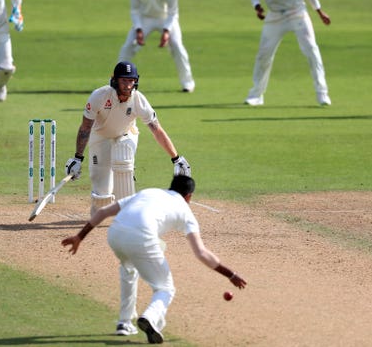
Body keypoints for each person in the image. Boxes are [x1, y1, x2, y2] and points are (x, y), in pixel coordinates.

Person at [61, 175, 247, 344]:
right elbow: (201, 253)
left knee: (128, 268)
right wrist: (230, 274)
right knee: (165, 288)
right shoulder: (186, 211)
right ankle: (150, 318)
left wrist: (79, 237)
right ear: (189, 196)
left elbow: (102, 213)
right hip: (141, 237)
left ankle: (124, 323)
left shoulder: (149, 192)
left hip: (115, 234)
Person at [65, 61, 191, 216]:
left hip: (126, 134)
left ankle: (127, 211)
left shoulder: (138, 100)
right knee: (102, 199)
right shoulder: (99, 96)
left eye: (131, 80)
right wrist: (78, 157)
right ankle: (102, 205)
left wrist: (176, 158)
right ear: (115, 80)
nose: (128, 85)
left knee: (123, 153)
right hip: (101, 137)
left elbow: (157, 130)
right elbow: (85, 127)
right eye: (124, 80)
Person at [245, 0, 332, 107]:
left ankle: (322, 94)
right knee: (264, 54)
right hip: (275, 16)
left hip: (297, 13)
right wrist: (257, 6)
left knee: (311, 50)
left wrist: (319, 12)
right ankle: (256, 95)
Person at [118, 0, 195, 93]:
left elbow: (173, 11)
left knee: (177, 46)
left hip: (165, 17)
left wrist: (166, 32)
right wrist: (139, 30)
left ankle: (187, 83)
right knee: (127, 46)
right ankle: (117, 81)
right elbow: (135, 10)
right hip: (144, 18)